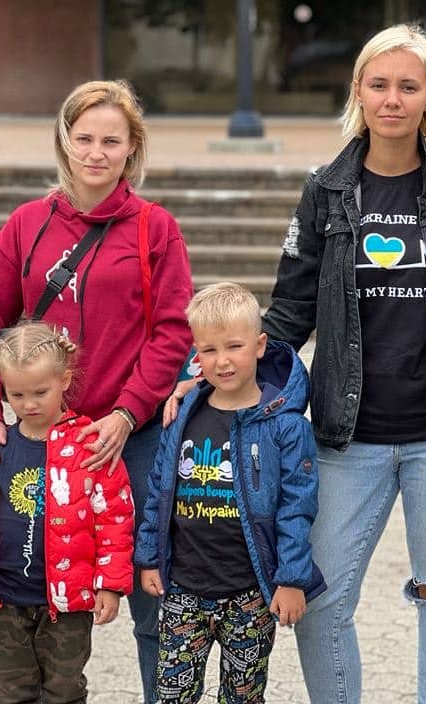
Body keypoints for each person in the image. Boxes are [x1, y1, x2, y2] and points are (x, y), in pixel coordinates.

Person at [165, 24, 426, 703]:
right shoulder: (326, 190)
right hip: (346, 436)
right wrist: (209, 373)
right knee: (316, 599)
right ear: (358, 93)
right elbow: (288, 312)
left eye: (408, 85)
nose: (392, 99)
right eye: (379, 84)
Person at [0, 80, 193, 703]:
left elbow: (172, 333)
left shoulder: (155, 228)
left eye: (110, 140)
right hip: (36, 436)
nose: (96, 152)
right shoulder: (27, 226)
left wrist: (126, 412)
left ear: (131, 148)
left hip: (127, 437)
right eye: (84, 138)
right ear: (65, 141)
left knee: (149, 594)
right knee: (24, 594)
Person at [136, 282, 324, 703]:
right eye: (209, 350)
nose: (222, 361)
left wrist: (291, 579)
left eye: (234, 347)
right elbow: (159, 490)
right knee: (171, 694)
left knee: (242, 697)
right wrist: (149, 556)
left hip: (250, 595)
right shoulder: (183, 415)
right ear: (195, 356)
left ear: (259, 346)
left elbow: (298, 507)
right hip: (185, 589)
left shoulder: (286, 426)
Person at [0, 322, 135, 704]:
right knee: (11, 688)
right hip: (5, 596)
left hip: (67, 601)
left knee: (63, 689)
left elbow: (115, 517)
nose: (29, 404)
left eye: (40, 392)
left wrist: (111, 584)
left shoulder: (89, 445)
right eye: (16, 394)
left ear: (64, 380)